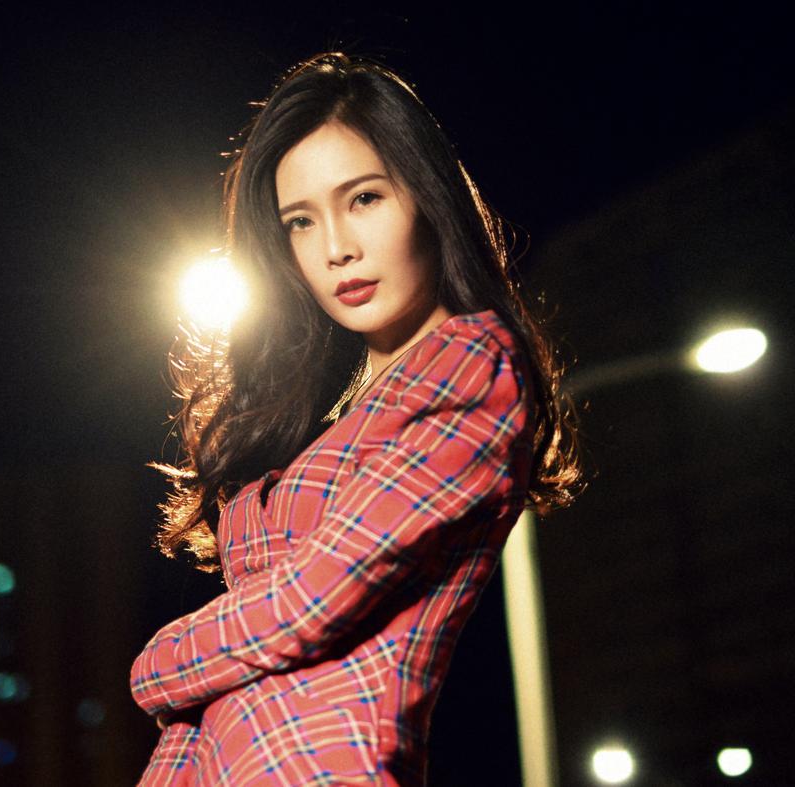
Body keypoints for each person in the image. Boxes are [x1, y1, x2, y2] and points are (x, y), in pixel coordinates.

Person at [130, 52, 581, 786]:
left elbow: (309, 603)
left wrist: (155, 667)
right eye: (301, 222)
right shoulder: (341, 407)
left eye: (364, 198)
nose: (336, 248)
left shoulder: (471, 362)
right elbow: (226, 700)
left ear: (427, 196)